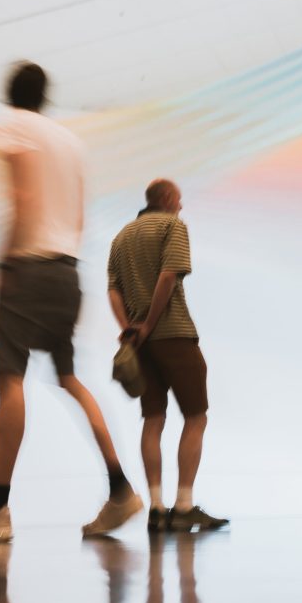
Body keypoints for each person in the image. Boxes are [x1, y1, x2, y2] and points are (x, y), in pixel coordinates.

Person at [0, 62, 142, 543]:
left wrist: (4, 264)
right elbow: (80, 215)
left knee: (11, 382)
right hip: (66, 271)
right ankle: (120, 489)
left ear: (10, 94)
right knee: (70, 378)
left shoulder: (13, 125)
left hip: (27, 268)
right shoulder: (70, 141)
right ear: (46, 94)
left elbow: (21, 196)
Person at [106, 180, 228, 532]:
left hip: (139, 345)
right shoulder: (172, 226)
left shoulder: (122, 235)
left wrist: (130, 327)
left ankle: (157, 507)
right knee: (195, 416)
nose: (182, 206)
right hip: (173, 332)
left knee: (153, 419)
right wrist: (149, 323)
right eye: (180, 199)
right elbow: (169, 276)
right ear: (171, 200)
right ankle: (185, 506)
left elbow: (113, 289)